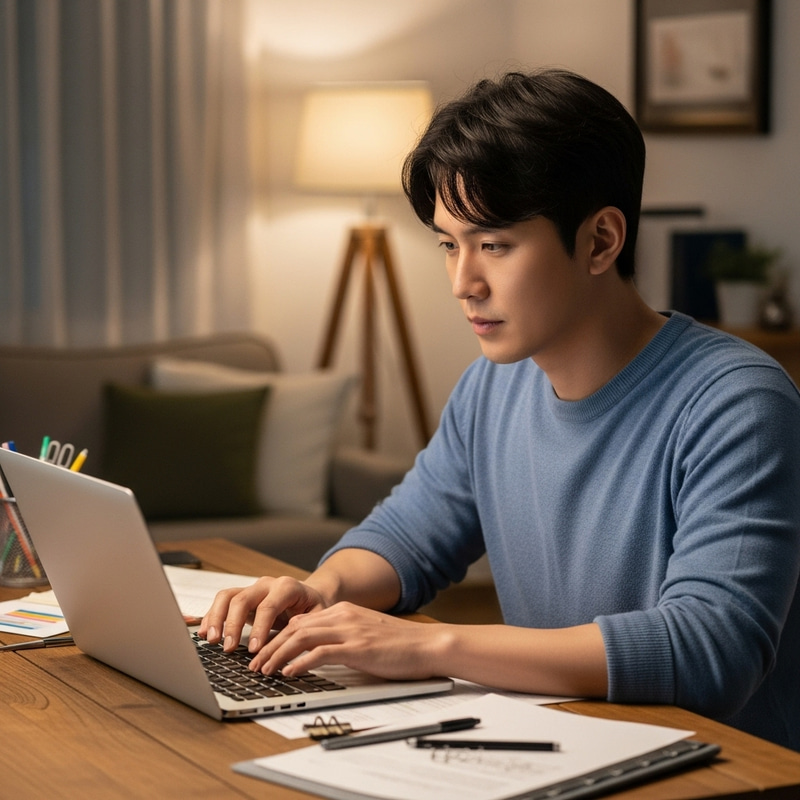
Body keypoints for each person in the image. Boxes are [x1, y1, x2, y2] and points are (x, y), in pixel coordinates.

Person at [200, 69, 800, 751]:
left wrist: (433, 648)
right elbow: (411, 535)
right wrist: (322, 589)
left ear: (601, 241)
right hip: (559, 746)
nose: (463, 283)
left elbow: (709, 650)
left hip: (720, 770)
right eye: (449, 245)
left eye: (495, 245)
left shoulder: (737, 402)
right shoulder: (493, 387)